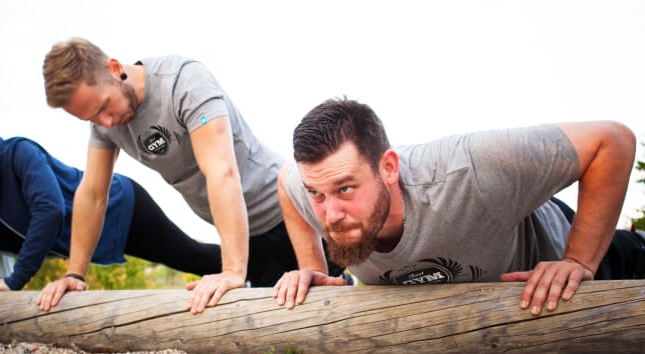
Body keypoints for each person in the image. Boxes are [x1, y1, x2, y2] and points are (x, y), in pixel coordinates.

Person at [39, 37, 344, 314]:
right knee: (279, 323)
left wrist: (233, 271)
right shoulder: (104, 123)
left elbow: (221, 172)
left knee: (332, 307)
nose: (105, 122)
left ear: (115, 68)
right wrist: (74, 275)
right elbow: (92, 193)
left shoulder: (182, 82)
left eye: (105, 107)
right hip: (244, 236)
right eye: (91, 117)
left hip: (287, 215)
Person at [274, 97, 645, 315]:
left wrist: (578, 260)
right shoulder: (311, 187)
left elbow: (612, 140)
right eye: (317, 195)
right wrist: (311, 266)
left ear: (388, 167)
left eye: (346, 189)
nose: (331, 215)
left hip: (562, 250)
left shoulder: (474, 167)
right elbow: (285, 182)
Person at [0, 117, 221, 304]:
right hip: (90, 235)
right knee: (189, 258)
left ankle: (257, 264)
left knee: (189, 257)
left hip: (118, 208)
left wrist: (14, 281)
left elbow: (49, 210)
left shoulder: (18, 155)